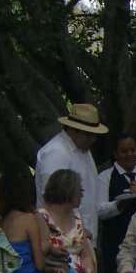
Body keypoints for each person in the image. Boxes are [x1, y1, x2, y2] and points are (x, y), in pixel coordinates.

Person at [35, 101, 108, 243]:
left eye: (94, 135)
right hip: (62, 240)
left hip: (83, 239)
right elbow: (51, 201)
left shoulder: (84, 152)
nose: (93, 140)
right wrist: (74, 230)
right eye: (88, 135)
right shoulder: (56, 153)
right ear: (73, 130)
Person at [96, 134, 136, 273]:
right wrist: (118, 205)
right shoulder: (105, 177)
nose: (130, 155)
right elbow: (100, 210)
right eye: (124, 151)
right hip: (114, 241)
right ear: (116, 154)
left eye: (133, 150)